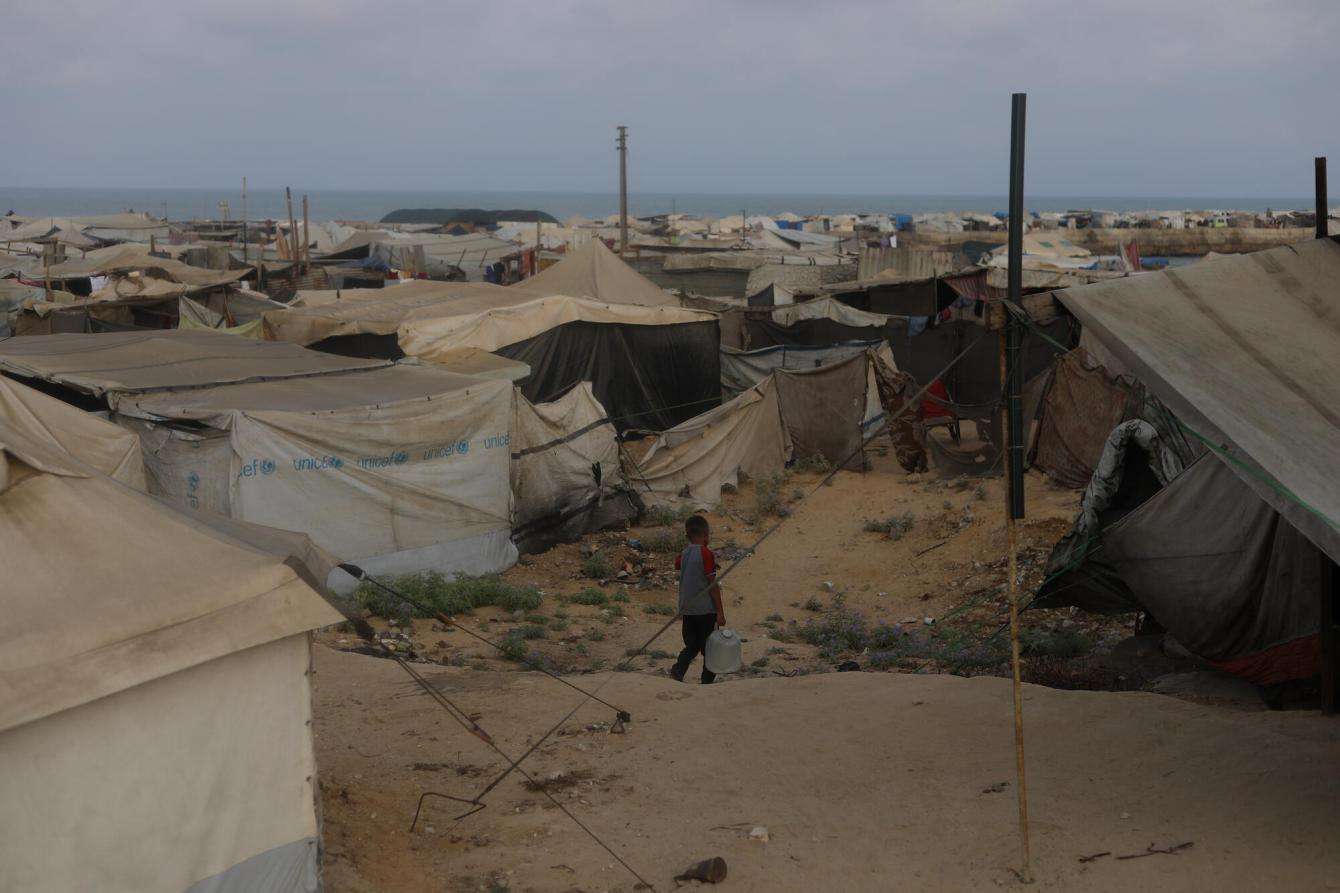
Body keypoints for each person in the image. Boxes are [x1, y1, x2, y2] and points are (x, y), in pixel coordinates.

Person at [671, 515, 725, 684]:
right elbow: (712, 585)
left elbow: (678, 564)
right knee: (710, 649)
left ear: (687, 536)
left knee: (692, 646)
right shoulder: (706, 553)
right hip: (705, 611)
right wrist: (720, 612)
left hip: (687, 609)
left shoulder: (684, 553)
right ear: (705, 534)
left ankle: (678, 670)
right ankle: (707, 682)